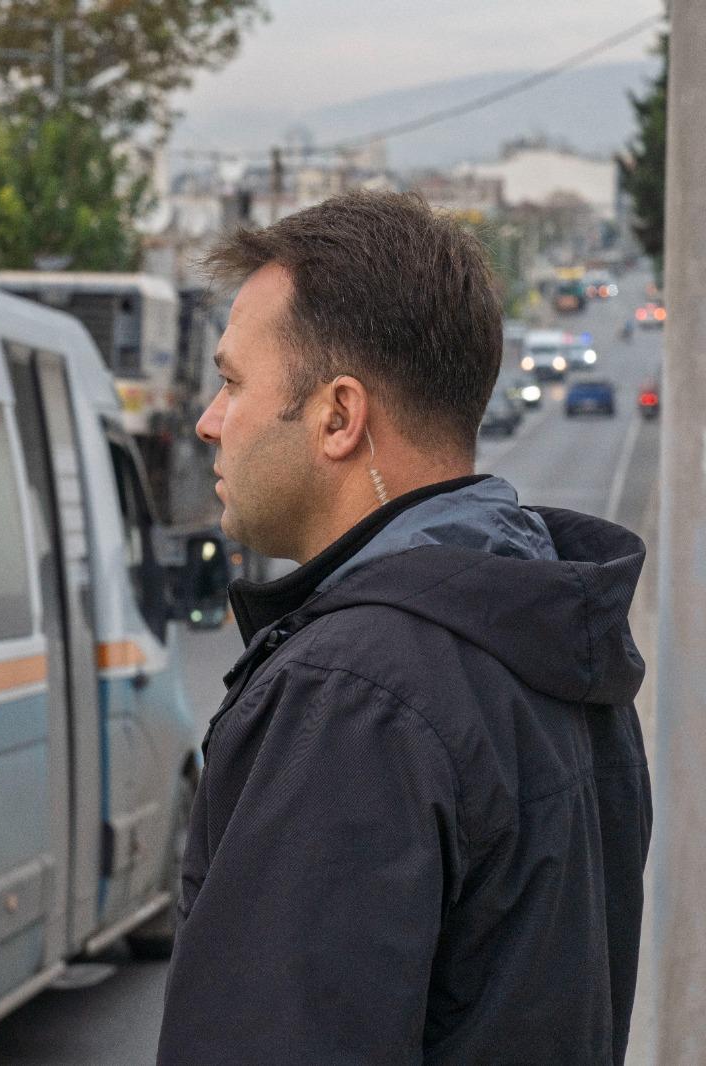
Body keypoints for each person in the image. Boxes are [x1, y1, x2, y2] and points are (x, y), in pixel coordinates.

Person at [156, 192, 651, 1065]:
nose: (208, 420)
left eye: (232, 382)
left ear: (339, 417)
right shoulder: (552, 636)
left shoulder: (353, 697)